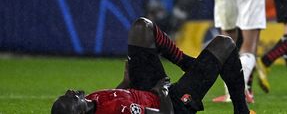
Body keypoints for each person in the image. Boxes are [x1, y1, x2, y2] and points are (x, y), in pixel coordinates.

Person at [51, 17, 254, 114]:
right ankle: (241, 111)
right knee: (224, 44)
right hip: (172, 105)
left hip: (144, 89)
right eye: (70, 99)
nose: (70, 92)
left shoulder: (90, 101)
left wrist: (125, 82)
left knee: (142, 27)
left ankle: (184, 61)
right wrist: (164, 93)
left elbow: (115, 98)